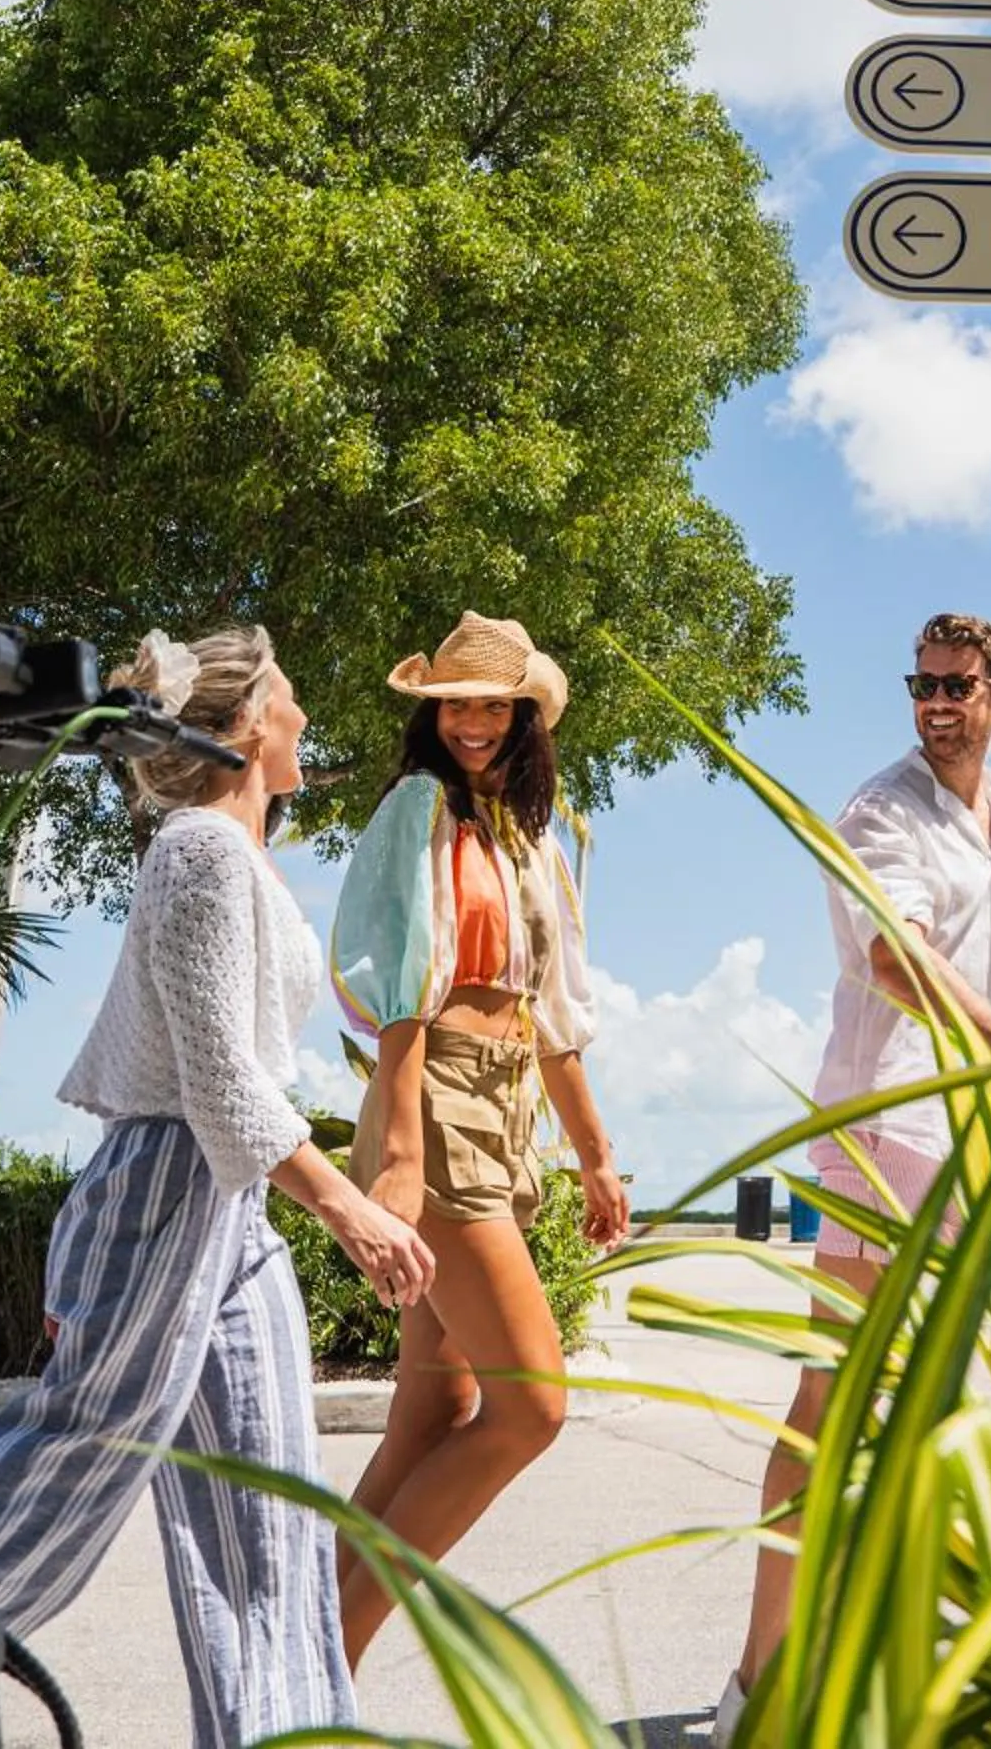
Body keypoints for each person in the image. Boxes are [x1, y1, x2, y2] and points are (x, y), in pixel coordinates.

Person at [0, 624, 435, 1749]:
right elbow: (222, 1078)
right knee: (84, 1444)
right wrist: (353, 1208)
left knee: (267, 1514)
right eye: (290, 693)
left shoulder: (237, 856)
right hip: (166, 1180)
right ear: (244, 721)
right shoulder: (198, 852)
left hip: (226, 1202)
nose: (306, 713)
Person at [715, 612, 991, 1742]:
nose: (936, 704)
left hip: (963, 1136)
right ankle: (758, 1687)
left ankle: (890, 1668)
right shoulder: (881, 810)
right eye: (922, 685)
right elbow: (896, 957)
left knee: (943, 1404)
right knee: (830, 1405)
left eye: (958, 686)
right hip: (882, 1129)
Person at [329, 610, 629, 1664]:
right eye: (453, 702)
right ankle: (324, 1672)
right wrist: (402, 1154)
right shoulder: (419, 808)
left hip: (507, 1113)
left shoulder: (529, 837)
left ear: (523, 715)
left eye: (490, 703)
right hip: (436, 1101)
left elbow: (554, 1018)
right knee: (530, 1408)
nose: (469, 721)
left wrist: (592, 1154)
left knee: (439, 1406)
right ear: (430, 713)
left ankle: (303, 1668)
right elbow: (399, 988)